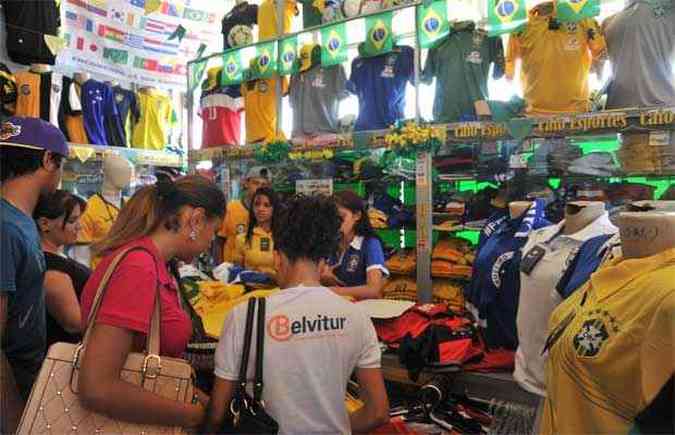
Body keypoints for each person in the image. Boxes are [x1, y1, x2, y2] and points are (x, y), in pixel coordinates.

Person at [205, 195, 390, 434]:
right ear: (324, 262)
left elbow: (217, 414)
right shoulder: (357, 317)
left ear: (277, 258)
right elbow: (378, 412)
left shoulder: (246, 316)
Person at [77, 176, 226, 429]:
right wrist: (194, 416)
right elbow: (97, 387)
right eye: (214, 231)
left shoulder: (154, 264)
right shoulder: (138, 267)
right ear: (197, 220)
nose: (212, 241)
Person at [0, 117, 69, 432]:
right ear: (47, 158)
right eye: (61, 162)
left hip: (27, 381)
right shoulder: (6, 227)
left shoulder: (20, 221)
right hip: (11, 393)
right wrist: (13, 415)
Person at [33, 190, 90, 349]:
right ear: (45, 224)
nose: (79, 226)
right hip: (63, 354)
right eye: (72, 220)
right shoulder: (52, 271)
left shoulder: (55, 258)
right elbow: (73, 322)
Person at [321, 190, 389, 300]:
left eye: (341, 217)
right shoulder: (328, 243)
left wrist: (332, 291)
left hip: (364, 311)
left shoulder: (370, 243)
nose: (336, 223)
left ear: (357, 216)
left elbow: (373, 289)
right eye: (331, 218)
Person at [217, 166, 270, 264]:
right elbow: (219, 241)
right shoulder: (232, 208)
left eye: (264, 185)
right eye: (256, 183)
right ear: (246, 183)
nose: (259, 188)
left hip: (260, 273)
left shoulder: (270, 213)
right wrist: (219, 268)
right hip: (231, 272)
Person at [232, 186, 278, 276]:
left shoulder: (284, 236)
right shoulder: (242, 239)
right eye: (256, 204)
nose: (260, 209)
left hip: (279, 289)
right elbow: (237, 272)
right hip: (250, 288)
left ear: (274, 208)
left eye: (266, 205)